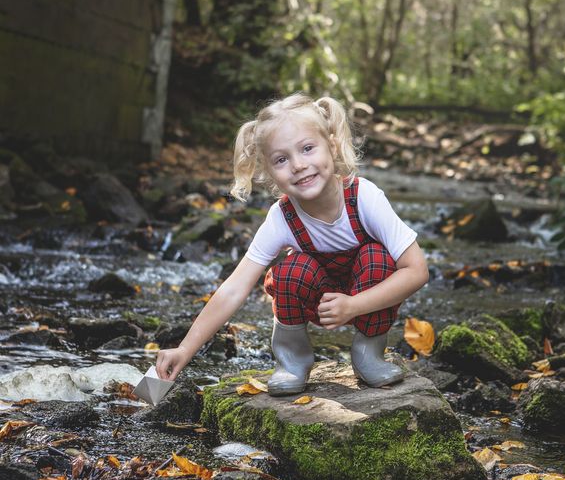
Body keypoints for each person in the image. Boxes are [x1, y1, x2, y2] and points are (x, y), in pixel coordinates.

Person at [155, 93, 429, 396]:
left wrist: (354, 305)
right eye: (281, 159)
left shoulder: (365, 198)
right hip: (316, 297)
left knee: (378, 257)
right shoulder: (281, 218)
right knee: (289, 271)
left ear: (333, 146)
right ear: (269, 172)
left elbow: (417, 271)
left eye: (308, 148)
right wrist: (184, 349)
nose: (298, 165)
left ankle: (368, 354)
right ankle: (293, 360)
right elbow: (234, 288)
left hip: (365, 294)